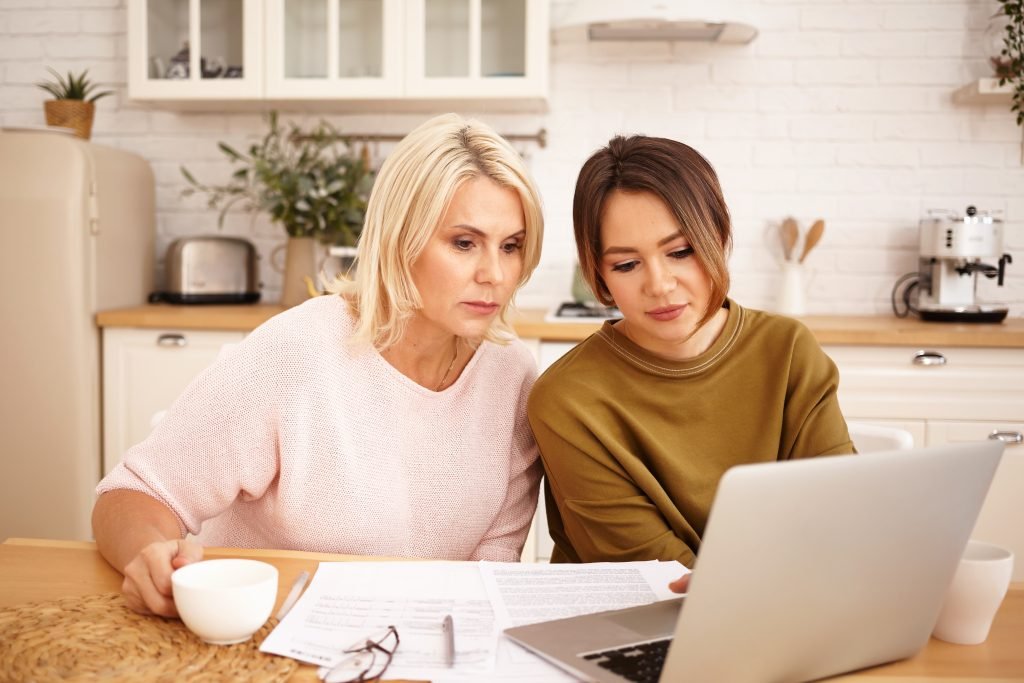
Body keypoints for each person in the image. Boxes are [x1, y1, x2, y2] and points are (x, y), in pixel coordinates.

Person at [93, 113, 545, 617]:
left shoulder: (513, 377)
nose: (495, 273)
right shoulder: (296, 351)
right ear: (401, 238)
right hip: (262, 633)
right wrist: (149, 555)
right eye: (464, 243)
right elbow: (136, 492)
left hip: (410, 638)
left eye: (511, 246)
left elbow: (491, 571)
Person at [528, 134, 853, 574]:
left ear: (718, 236)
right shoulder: (566, 399)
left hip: (782, 601)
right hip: (641, 612)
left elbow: (839, 513)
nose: (659, 285)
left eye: (680, 252)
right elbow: (658, 575)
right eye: (626, 264)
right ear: (599, 274)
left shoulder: (789, 350)